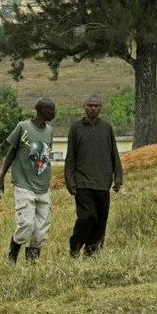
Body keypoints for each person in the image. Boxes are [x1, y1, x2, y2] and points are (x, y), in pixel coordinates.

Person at [0, 98, 56, 263]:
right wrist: (1, 178)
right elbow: (11, 152)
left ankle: (32, 263)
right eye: (51, 110)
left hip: (43, 185)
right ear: (41, 110)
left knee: (41, 229)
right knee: (26, 224)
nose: (54, 113)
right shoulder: (23, 127)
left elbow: (45, 154)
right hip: (23, 184)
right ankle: (12, 257)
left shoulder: (49, 131)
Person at [65, 95, 123, 257]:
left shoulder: (107, 127)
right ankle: (75, 245)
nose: (93, 108)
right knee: (87, 217)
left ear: (100, 108)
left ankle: (91, 253)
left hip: (103, 183)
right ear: (84, 107)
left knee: (101, 221)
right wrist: (70, 181)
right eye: (90, 105)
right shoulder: (76, 128)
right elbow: (70, 157)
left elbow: (114, 155)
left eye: (96, 106)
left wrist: (118, 177)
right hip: (82, 183)